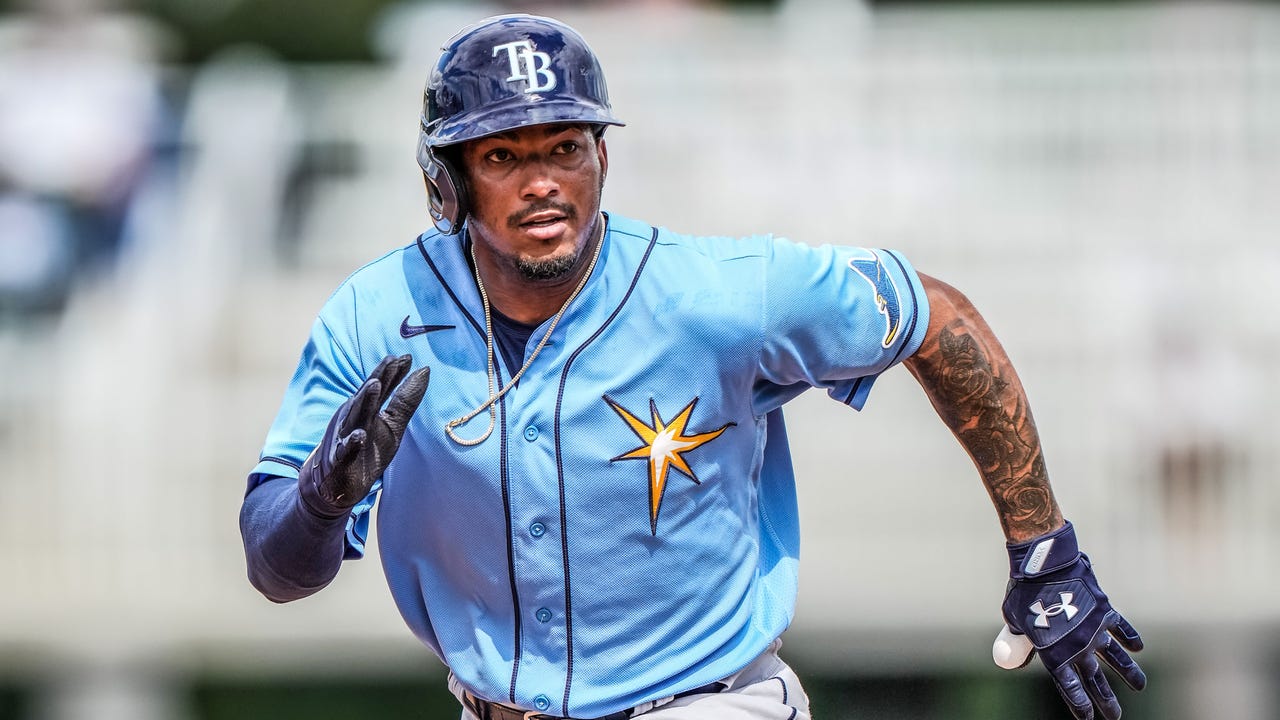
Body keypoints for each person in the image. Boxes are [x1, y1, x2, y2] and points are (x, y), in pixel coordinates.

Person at [240, 14, 1145, 720]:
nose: (544, 178)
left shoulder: (716, 293)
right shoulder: (375, 314)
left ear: (603, 154)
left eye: (565, 145)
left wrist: (1043, 546)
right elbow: (277, 570)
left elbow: (934, 316)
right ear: (447, 182)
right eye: (504, 154)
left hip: (710, 701)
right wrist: (320, 503)